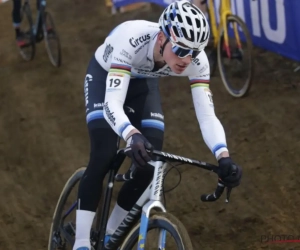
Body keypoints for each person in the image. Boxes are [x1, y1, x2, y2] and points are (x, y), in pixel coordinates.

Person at [73, 0, 242, 249]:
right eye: (181, 50)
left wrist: (223, 155)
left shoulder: (196, 60)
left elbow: (206, 116)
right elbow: (112, 105)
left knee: (151, 161)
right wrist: (131, 134)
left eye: (194, 52)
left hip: (142, 83)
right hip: (105, 76)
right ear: (162, 38)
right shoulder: (131, 39)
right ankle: (81, 242)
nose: (187, 59)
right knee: (104, 154)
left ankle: (111, 234)